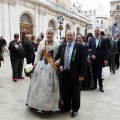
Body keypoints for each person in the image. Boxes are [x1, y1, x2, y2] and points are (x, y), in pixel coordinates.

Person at [26, 27, 60, 113]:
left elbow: (57, 56)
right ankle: (36, 104)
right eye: (48, 33)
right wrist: (35, 64)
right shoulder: (42, 43)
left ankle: (49, 106)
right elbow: (38, 55)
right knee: (38, 85)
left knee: (49, 86)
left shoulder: (57, 44)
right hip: (41, 67)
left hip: (51, 68)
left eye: (51, 34)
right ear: (46, 34)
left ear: (53, 35)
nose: (49, 35)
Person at [55, 30, 87, 117]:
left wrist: (82, 75)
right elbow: (58, 58)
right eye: (67, 35)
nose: (69, 37)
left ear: (74, 36)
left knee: (75, 92)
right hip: (65, 74)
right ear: (65, 36)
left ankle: (75, 109)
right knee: (66, 92)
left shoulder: (80, 47)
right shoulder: (62, 46)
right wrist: (60, 65)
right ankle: (67, 107)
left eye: (71, 35)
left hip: (76, 75)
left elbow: (84, 62)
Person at [89, 27, 109, 92]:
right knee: (94, 73)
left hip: (100, 60)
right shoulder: (91, 40)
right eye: (95, 31)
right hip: (93, 60)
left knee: (100, 74)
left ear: (100, 32)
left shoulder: (103, 40)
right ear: (94, 32)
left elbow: (106, 50)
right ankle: (95, 85)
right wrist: (91, 55)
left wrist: (106, 59)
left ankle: (101, 86)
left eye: (98, 31)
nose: (96, 32)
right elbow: (89, 50)